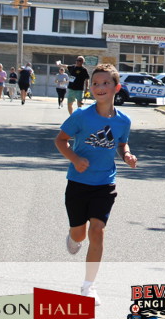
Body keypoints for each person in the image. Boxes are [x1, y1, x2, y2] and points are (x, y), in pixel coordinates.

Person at [54, 64, 136, 305]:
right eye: (96, 83)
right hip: (78, 183)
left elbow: (121, 143)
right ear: (90, 88)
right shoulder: (81, 116)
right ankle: (73, 237)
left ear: (116, 88)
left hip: (105, 183)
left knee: (97, 231)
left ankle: (88, 286)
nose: (100, 87)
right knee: (79, 234)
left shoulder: (123, 121)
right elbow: (60, 140)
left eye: (106, 83)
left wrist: (127, 155)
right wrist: (75, 159)